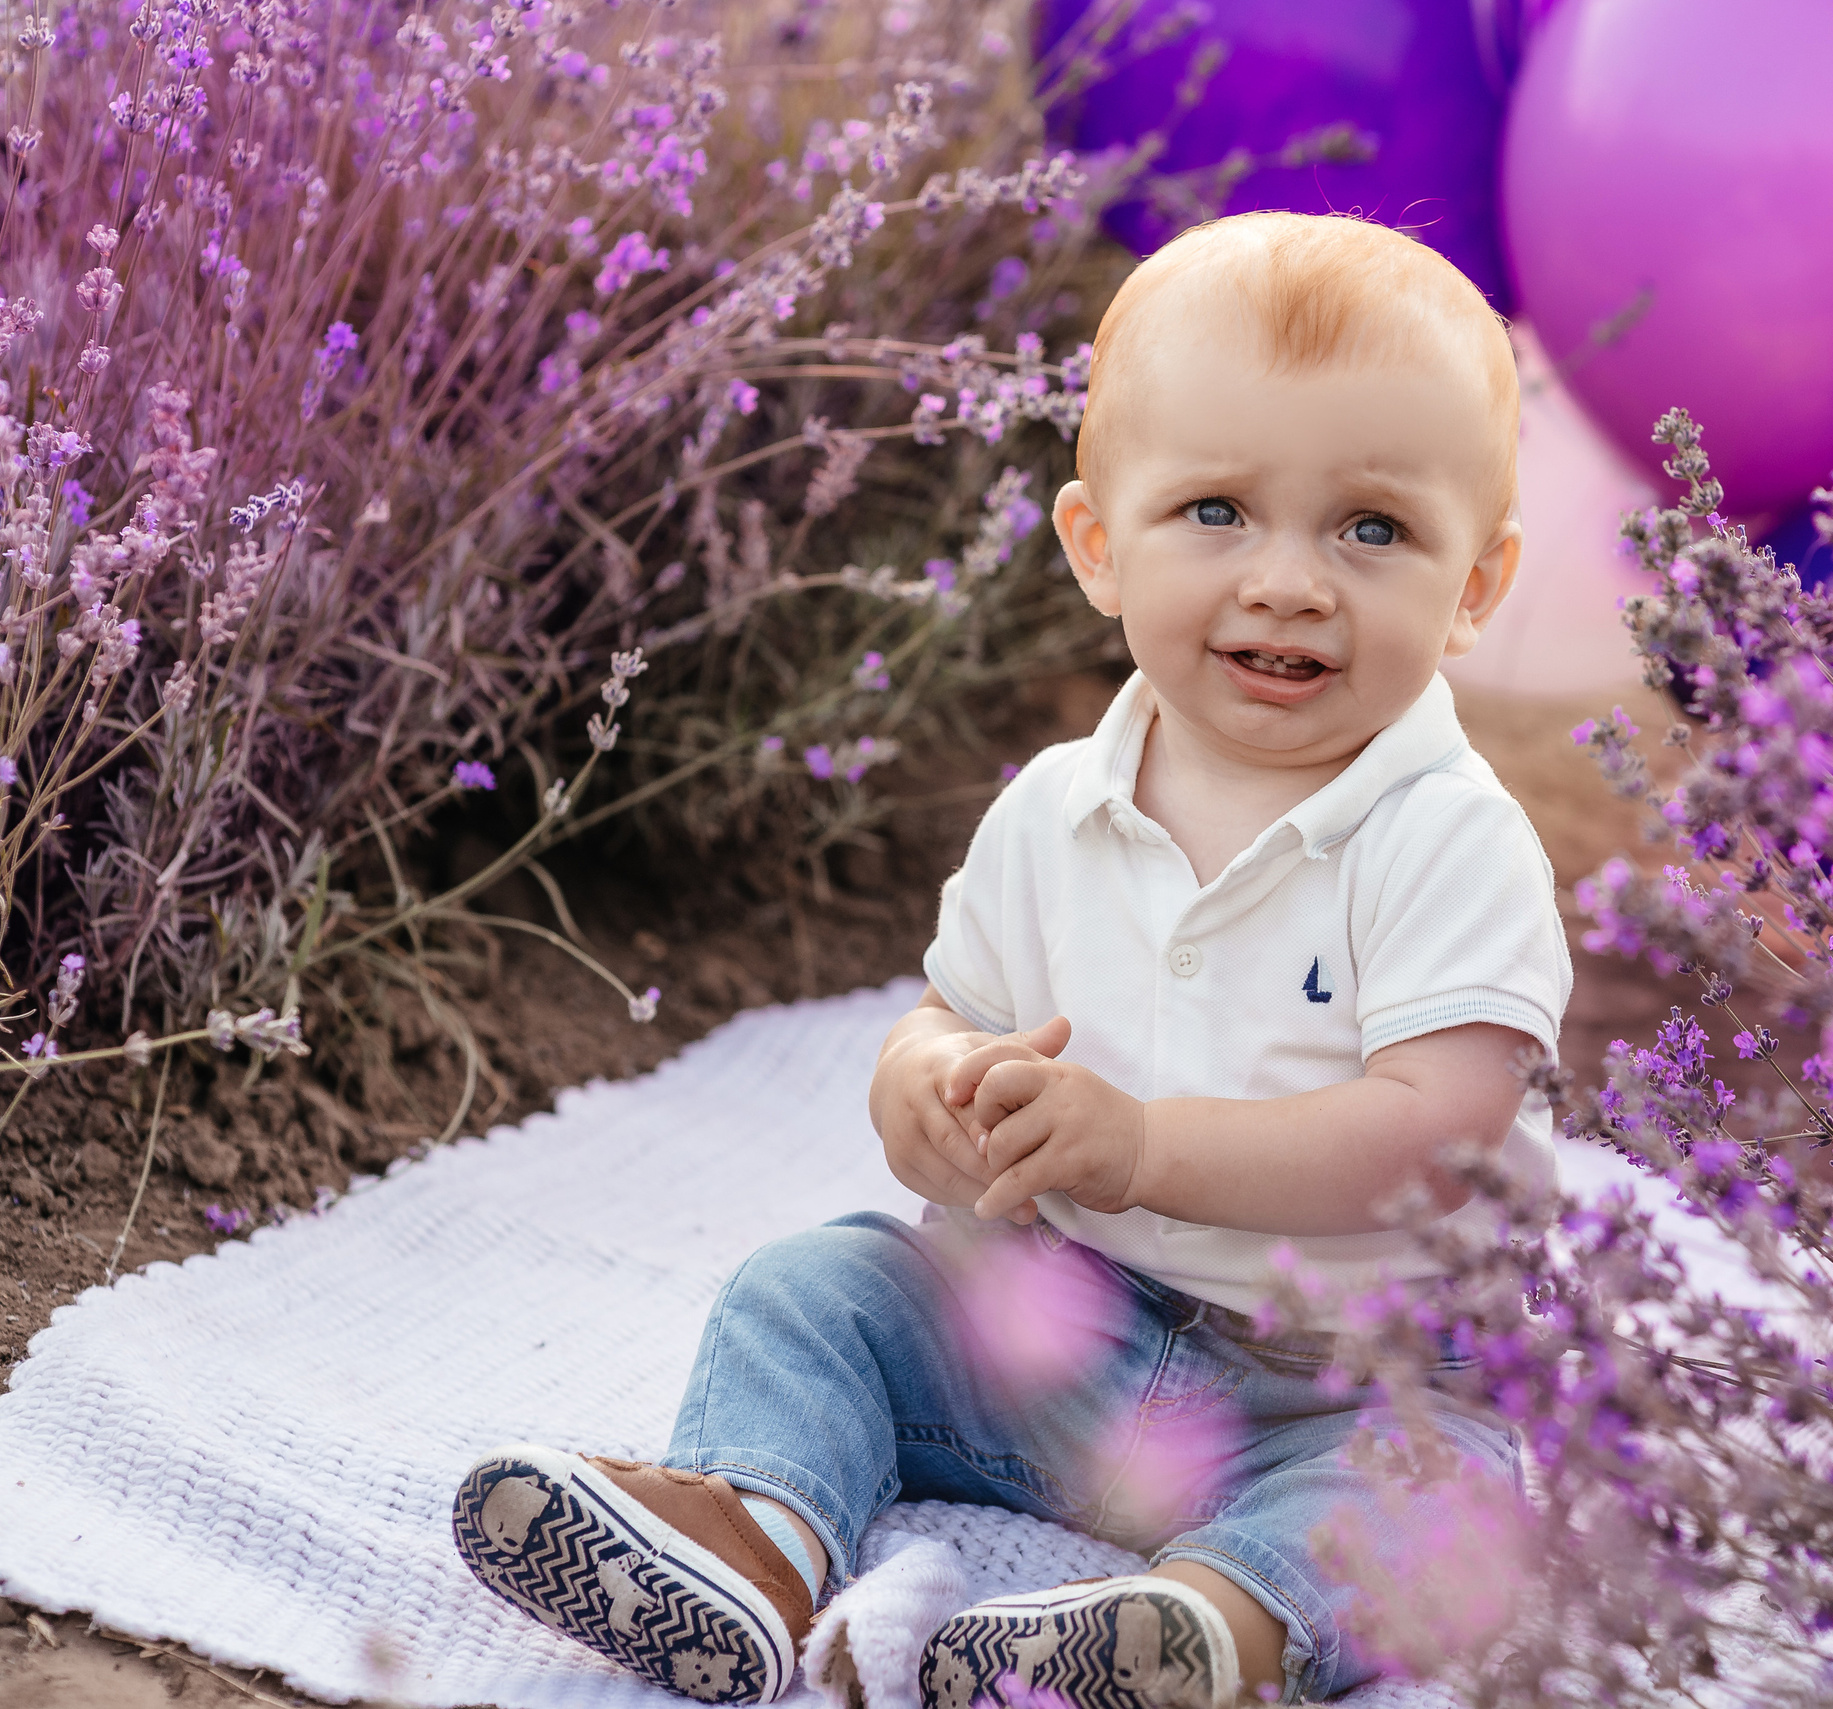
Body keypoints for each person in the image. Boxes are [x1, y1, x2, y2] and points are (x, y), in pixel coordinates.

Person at [449, 209, 1571, 1708]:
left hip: (1350, 1384)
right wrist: (929, 1087)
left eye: (1372, 528)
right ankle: (755, 1539)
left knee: (1443, 1496)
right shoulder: (1056, 806)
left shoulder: (1449, 837)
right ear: (1099, 547)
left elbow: (1436, 1135)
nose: (1291, 580)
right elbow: (953, 1010)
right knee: (825, 1289)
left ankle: (1204, 1632)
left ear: (1477, 586)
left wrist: (1146, 1145)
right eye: (1218, 511)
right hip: (1065, 1332)